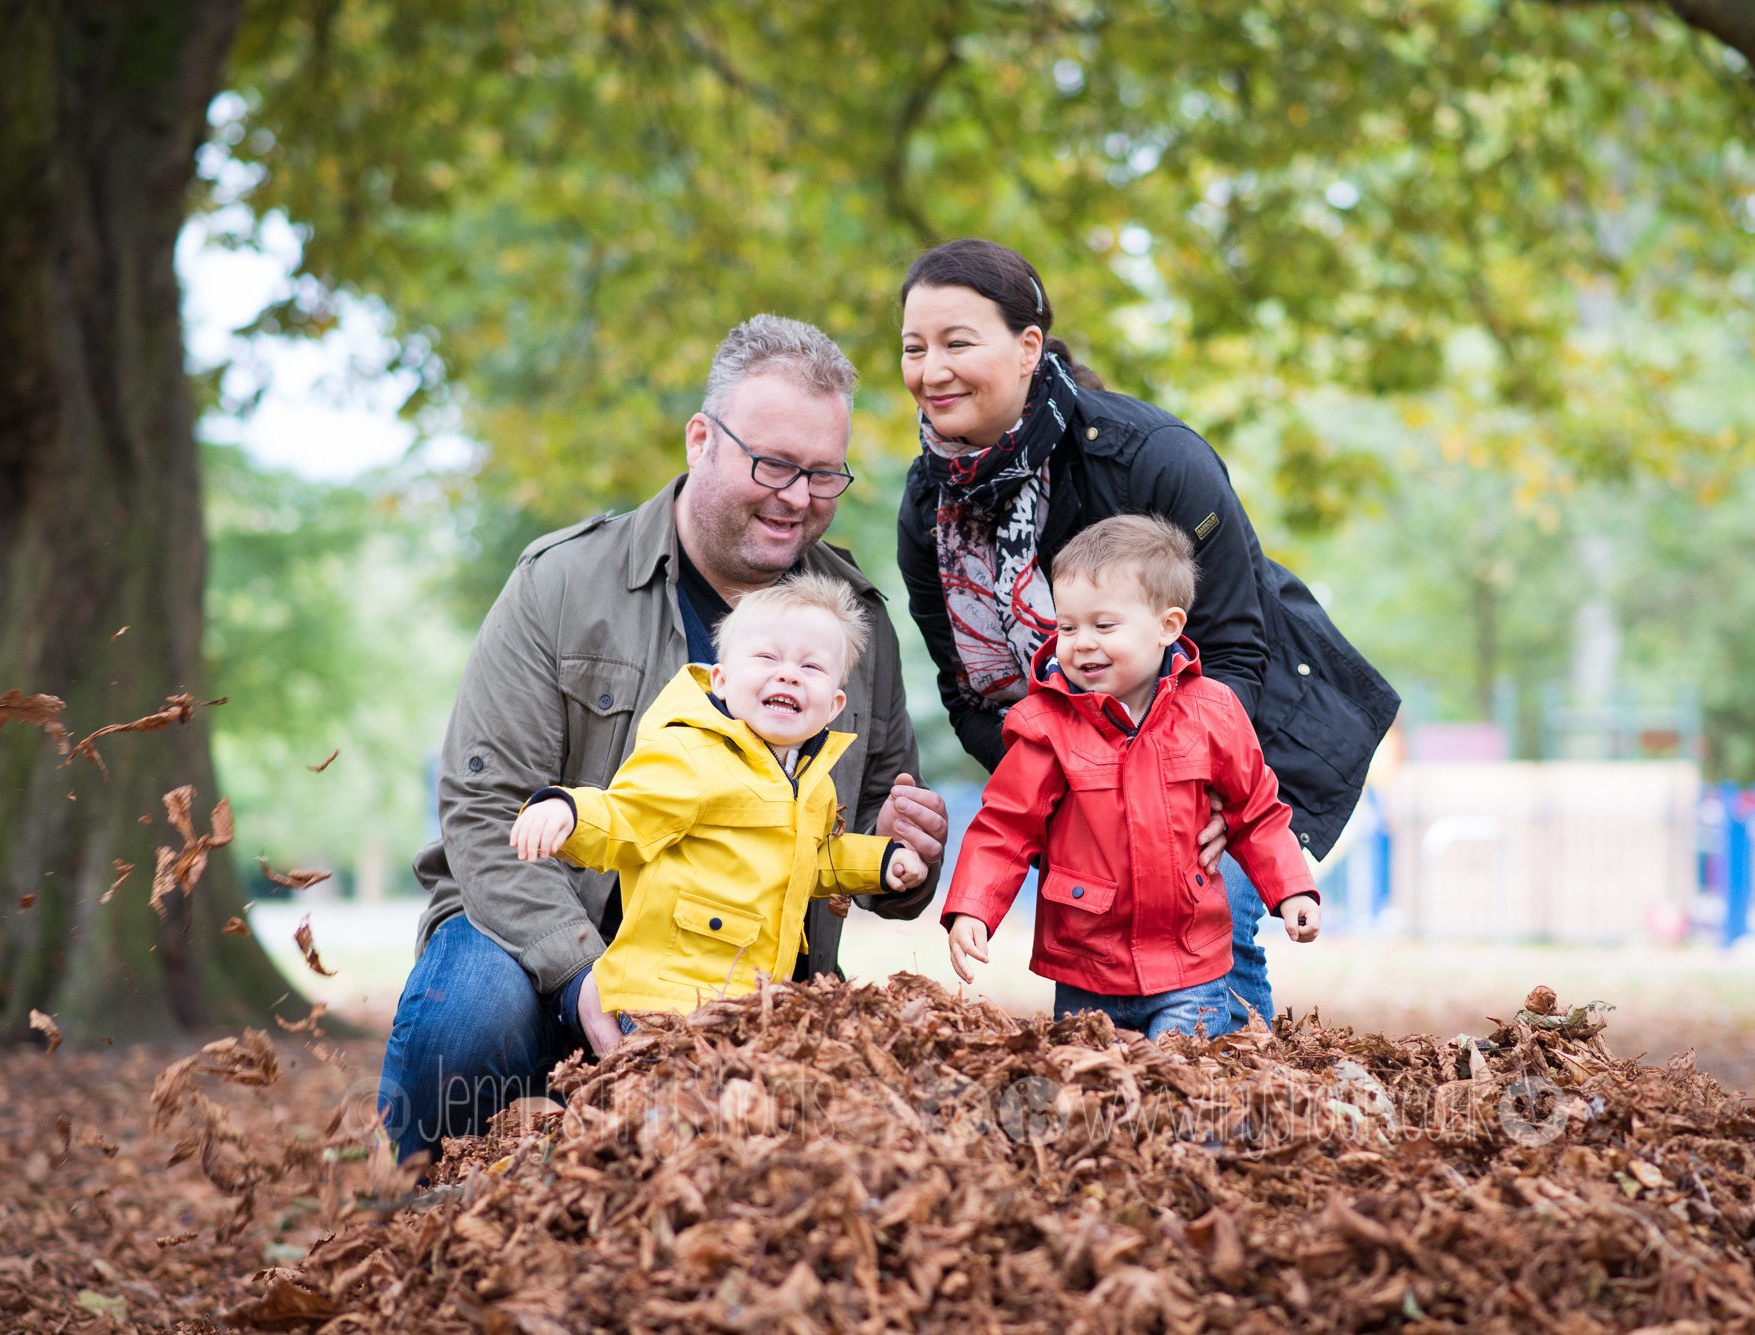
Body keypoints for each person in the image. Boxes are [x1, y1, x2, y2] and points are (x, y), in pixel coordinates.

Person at [384, 315, 949, 1165]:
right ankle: (436, 1208)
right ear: (700, 440)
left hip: (739, 969)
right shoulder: (562, 583)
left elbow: (863, 829)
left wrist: (907, 859)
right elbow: (485, 808)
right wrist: (585, 977)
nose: (798, 497)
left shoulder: (853, 620)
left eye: (824, 474)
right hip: (542, 938)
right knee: (472, 1012)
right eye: (773, 465)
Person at [895, 238, 1396, 1025]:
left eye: (959, 342)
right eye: (914, 348)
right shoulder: (928, 508)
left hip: (1236, 737)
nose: (933, 368)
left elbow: (1236, 642)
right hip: (1076, 764)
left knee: (1212, 924)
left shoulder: (1151, 460)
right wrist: (1069, 786)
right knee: (1095, 966)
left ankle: (1229, 1106)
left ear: (1029, 347)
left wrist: (1199, 786)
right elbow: (967, 694)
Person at [940, 517, 1320, 1038]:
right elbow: (1005, 827)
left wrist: (1292, 889)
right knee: (1094, 1084)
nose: (1081, 644)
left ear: (1167, 627)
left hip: (1190, 959)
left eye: (1104, 625)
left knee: (1178, 1082)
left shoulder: (1214, 713)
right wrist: (973, 909)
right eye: (1067, 627)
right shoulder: (1046, 725)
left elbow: (1256, 812)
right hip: (1085, 964)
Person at [509, 574, 930, 1017]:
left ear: (833, 706)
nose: (787, 673)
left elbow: (813, 859)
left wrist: (879, 863)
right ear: (722, 681)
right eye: (767, 657)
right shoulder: (691, 755)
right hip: (668, 998)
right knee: (694, 1086)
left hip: (752, 999)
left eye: (811, 667)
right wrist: (569, 811)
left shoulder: (811, 782)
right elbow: (625, 818)